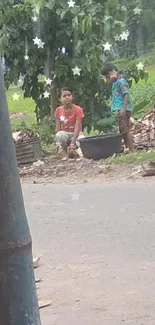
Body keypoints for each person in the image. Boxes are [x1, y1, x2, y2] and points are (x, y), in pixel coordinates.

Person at [102, 64, 134, 152]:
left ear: (111, 73)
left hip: (124, 109)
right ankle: (128, 148)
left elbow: (126, 94)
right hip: (120, 109)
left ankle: (132, 149)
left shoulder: (121, 82)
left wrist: (124, 108)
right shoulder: (115, 83)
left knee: (126, 130)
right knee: (123, 130)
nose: (107, 80)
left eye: (107, 77)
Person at [54, 87, 85, 155]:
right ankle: (65, 150)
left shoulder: (78, 109)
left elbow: (77, 128)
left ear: (72, 96)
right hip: (65, 134)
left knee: (83, 142)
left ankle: (73, 149)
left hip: (77, 134)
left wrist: (73, 143)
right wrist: (59, 142)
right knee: (59, 135)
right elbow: (58, 129)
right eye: (64, 96)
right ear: (60, 99)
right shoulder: (58, 110)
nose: (67, 97)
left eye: (69, 95)